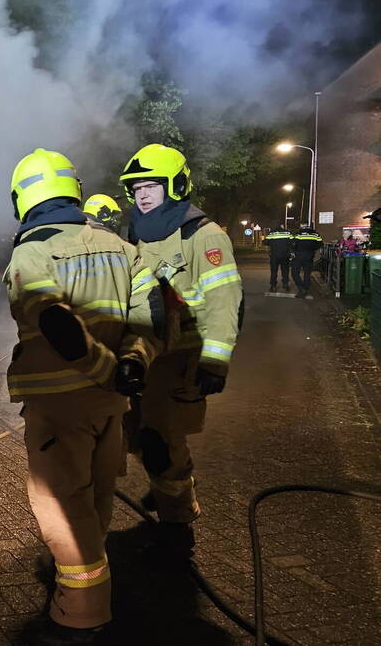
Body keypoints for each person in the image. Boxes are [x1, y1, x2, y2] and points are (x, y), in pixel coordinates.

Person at [4, 149, 161, 644]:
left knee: (63, 508)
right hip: (110, 406)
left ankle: (81, 615)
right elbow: (153, 314)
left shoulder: (31, 253)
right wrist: (134, 363)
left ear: (22, 198)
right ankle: (91, 579)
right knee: (95, 495)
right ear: (73, 191)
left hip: (60, 407)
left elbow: (55, 324)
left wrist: (108, 370)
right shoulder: (121, 247)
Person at [118, 143, 243, 551]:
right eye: (137, 189)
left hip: (182, 356)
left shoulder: (203, 235)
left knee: (159, 439)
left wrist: (215, 362)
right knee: (135, 433)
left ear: (175, 186)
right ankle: (171, 481)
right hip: (145, 353)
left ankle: (178, 524)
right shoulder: (135, 232)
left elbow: (224, 301)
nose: (143, 195)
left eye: (151, 186)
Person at [291, 224, 323, 298]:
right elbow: (320, 244)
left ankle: (301, 288)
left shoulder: (298, 233)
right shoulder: (315, 234)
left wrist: (293, 251)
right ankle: (305, 289)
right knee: (307, 273)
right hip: (309, 256)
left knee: (294, 273)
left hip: (298, 256)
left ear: (302, 226)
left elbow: (293, 244)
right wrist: (312, 249)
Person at [264, 223, 294, 292]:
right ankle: (285, 284)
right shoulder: (288, 233)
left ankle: (273, 286)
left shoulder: (272, 233)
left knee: (274, 271)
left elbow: (265, 242)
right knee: (285, 271)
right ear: (282, 226)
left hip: (274, 255)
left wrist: (272, 243)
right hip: (285, 255)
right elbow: (292, 242)